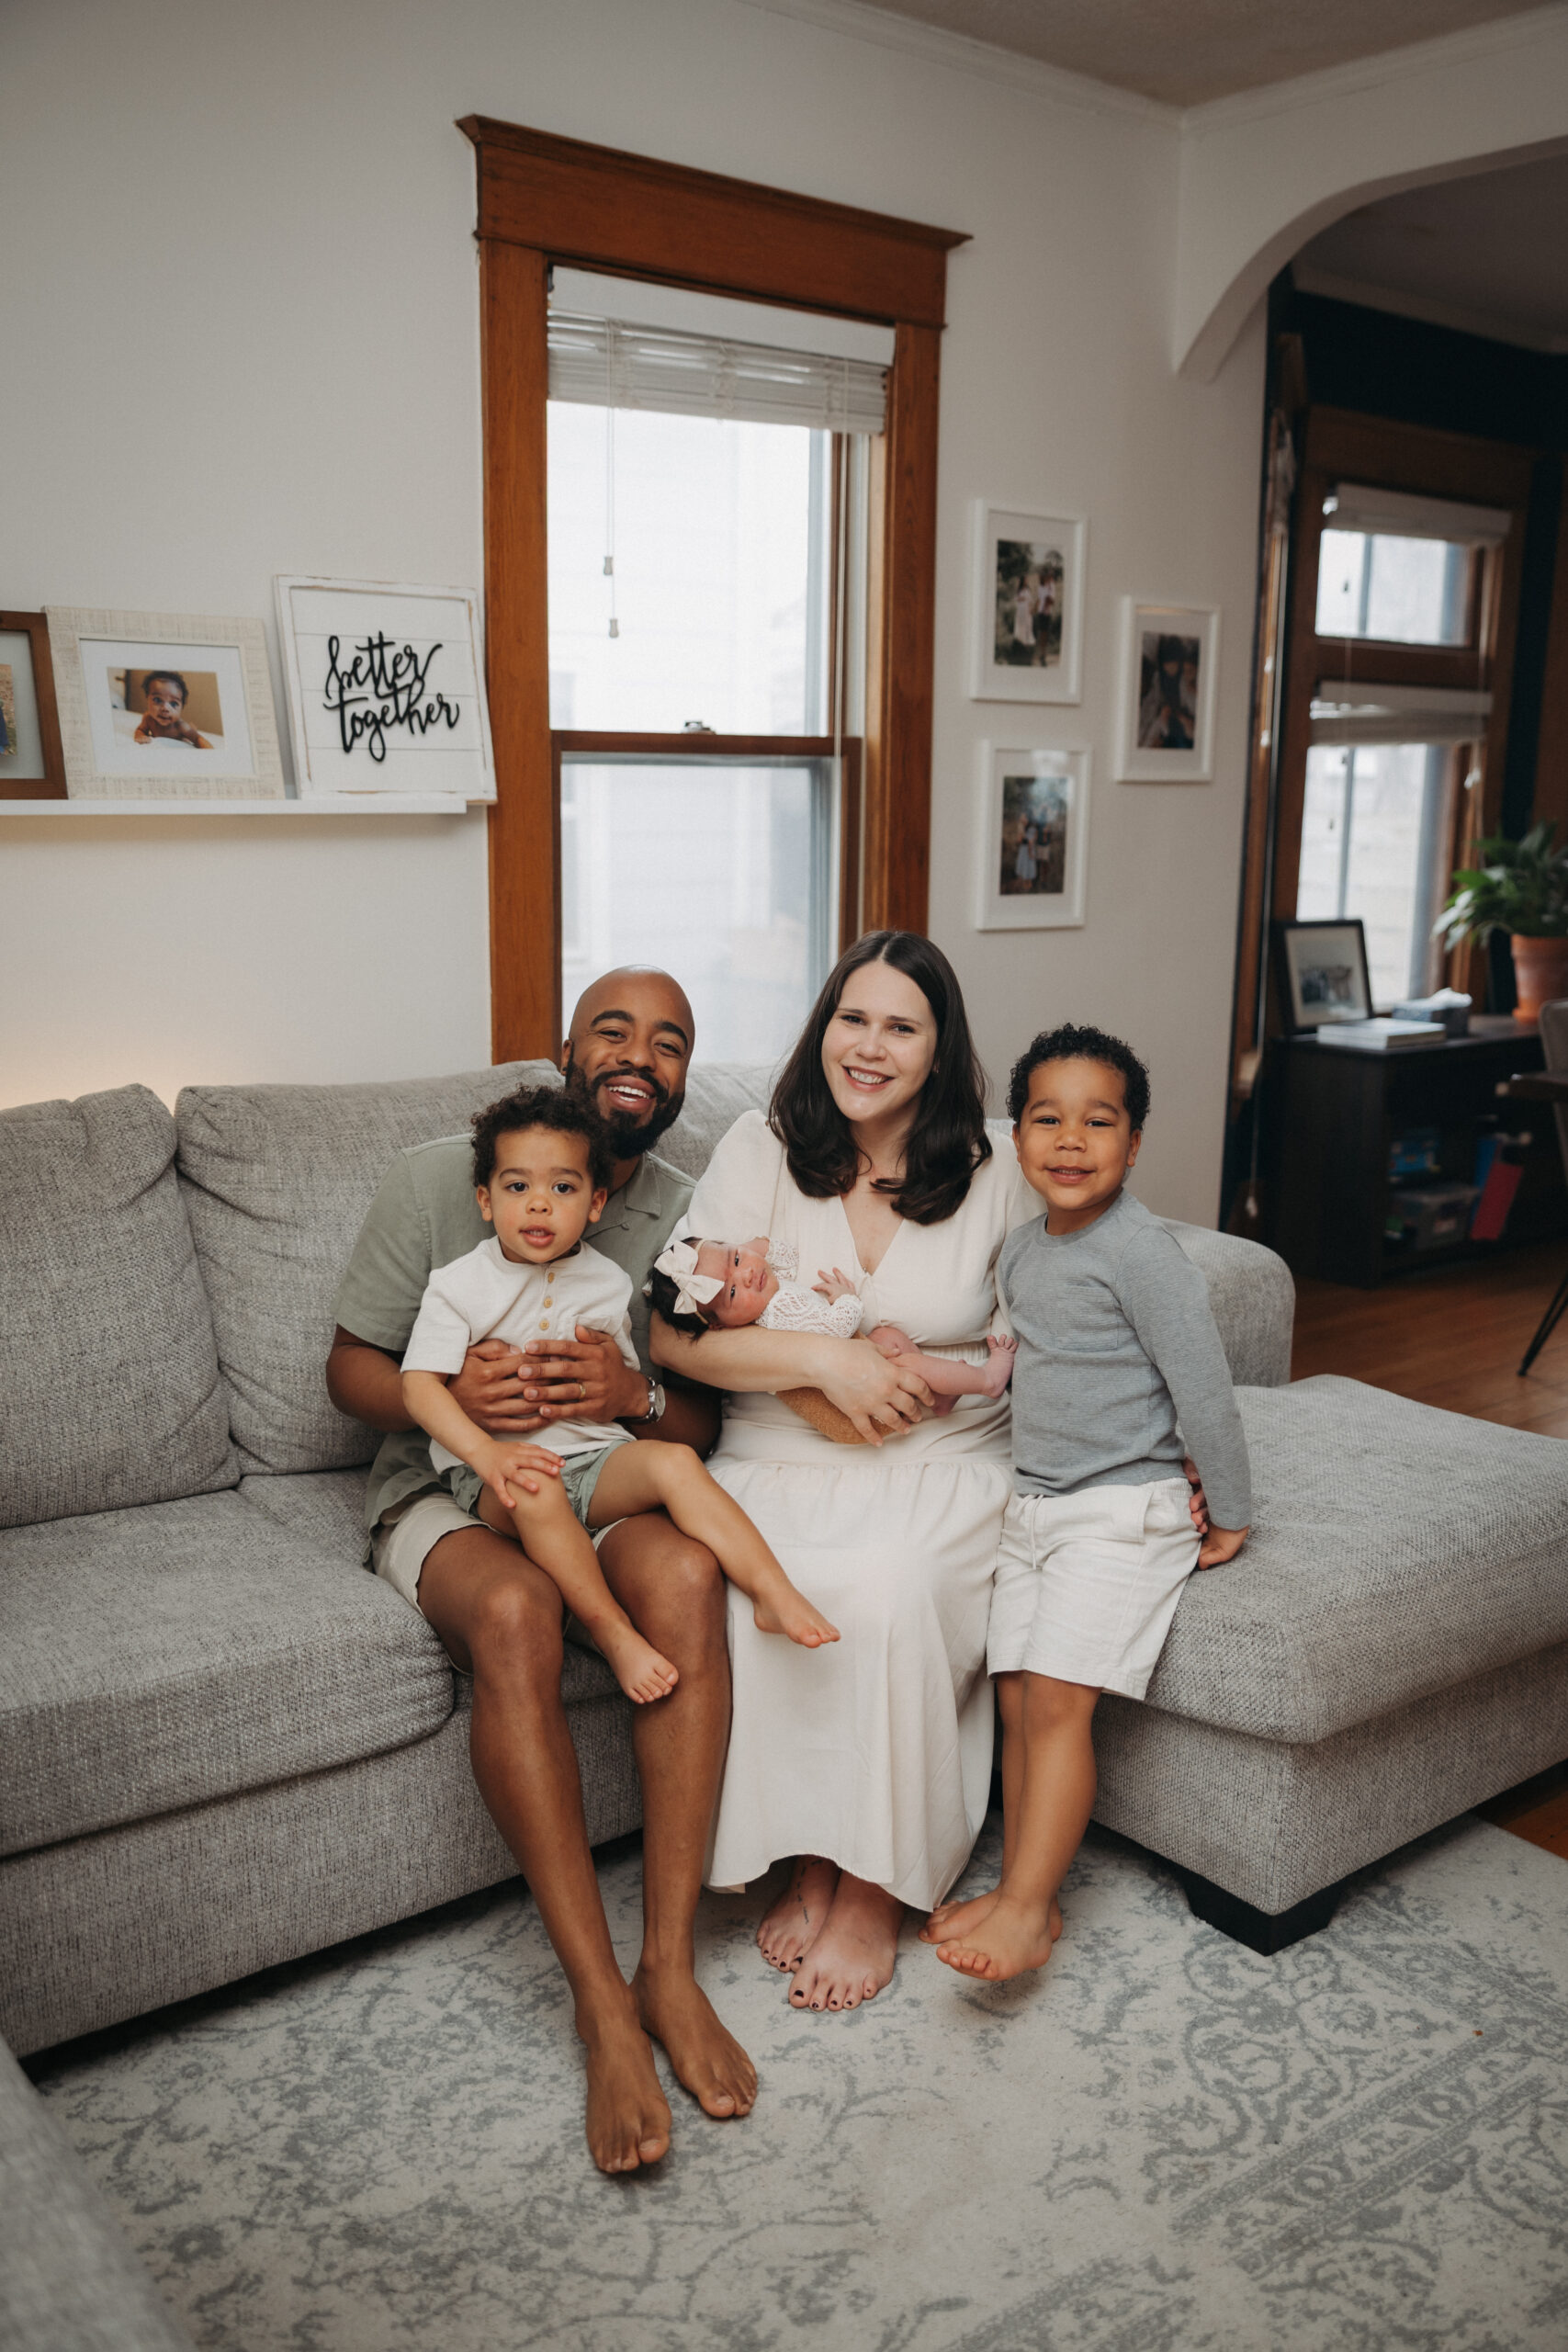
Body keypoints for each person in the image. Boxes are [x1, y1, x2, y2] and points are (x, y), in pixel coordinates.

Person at [326, 967, 756, 2177]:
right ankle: (597, 2005)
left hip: (592, 1481)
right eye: (613, 1030)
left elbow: (695, 1437)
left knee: (681, 1577)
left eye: (669, 1044)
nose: (640, 1055)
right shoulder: (440, 1179)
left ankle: (665, 1971)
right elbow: (351, 1374)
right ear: (565, 1048)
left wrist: (642, 1394)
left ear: (680, 1081)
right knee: (513, 1610)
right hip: (448, 1491)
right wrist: (452, 1398)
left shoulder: (678, 1218)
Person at [650, 931, 1038, 2014]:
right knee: (766, 1584)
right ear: (823, 1027)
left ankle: (871, 1883)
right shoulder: (757, 1146)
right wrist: (826, 1358)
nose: (868, 1047)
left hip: (943, 1458)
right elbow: (677, 1337)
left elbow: (1033, 1349)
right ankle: (808, 1853)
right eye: (851, 1019)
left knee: (890, 1583)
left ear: (940, 1047)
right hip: (776, 1448)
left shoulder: (998, 1168)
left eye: (901, 1026)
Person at [923, 1023, 1250, 1984]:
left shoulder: (1142, 1252)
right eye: (1046, 1119)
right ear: (1015, 1137)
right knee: (1020, 1699)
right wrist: (924, 1368)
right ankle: (1034, 1888)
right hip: (1033, 1510)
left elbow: (1204, 1386)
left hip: (1121, 1508)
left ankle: (1023, 1907)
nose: (1070, 1140)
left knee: (1061, 1703)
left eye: (1097, 1121)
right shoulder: (1023, 1252)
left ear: (1134, 1142)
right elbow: (1014, 1370)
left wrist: (1228, 1507)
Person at [401, 1084, 839, 1681]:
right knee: (537, 1488)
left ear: (596, 1201)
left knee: (675, 1464)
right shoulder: (458, 1286)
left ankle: (770, 1592)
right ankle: (612, 1632)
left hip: (596, 1457)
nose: (538, 1205)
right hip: (495, 1473)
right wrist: (486, 1455)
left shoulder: (608, 1283)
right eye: (516, 1186)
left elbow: (621, 1396)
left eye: (562, 1187)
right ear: (484, 1199)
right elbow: (418, 1386)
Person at [650, 1232, 1017, 1416]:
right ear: (719, 1326)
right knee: (907, 1362)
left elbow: (785, 1263)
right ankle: (988, 1381)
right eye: (731, 1293)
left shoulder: (767, 1297)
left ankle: (938, 1398)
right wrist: (846, 1296)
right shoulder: (779, 1311)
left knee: (889, 1337)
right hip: (848, 1390)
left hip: (856, 1361)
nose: (746, 1275)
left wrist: (759, 1249)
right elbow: (838, 1328)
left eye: (735, 1258)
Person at [133, 670, 212, 749]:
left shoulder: (181, 726)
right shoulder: (148, 718)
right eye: (157, 700)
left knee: (191, 732)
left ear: (182, 707)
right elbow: (141, 730)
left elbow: (197, 738)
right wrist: (141, 736)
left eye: (174, 704)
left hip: (184, 733)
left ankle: (191, 730)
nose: (165, 708)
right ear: (147, 699)